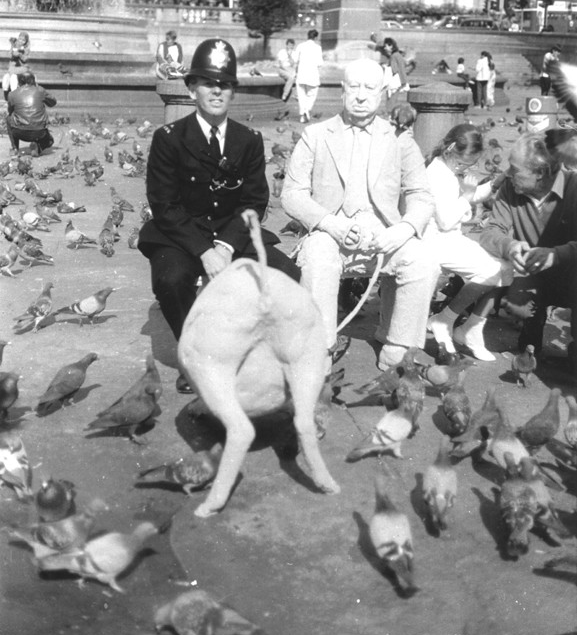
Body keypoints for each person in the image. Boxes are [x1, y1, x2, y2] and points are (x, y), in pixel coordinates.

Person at [139, 38, 300, 392]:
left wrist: (226, 246)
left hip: (233, 234)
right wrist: (204, 250)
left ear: (233, 92)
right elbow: (164, 205)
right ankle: (194, 355)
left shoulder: (249, 140)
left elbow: (255, 200)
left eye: (225, 84)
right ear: (192, 88)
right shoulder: (169, 139)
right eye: (209, 83)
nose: (217, 91)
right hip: (180, 236)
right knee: (171, 278)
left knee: (286, 273)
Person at [281, 57, 438, 370]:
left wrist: (404, 228)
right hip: (331, 233)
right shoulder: (316, 135)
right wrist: (330, 224)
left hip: (384, 234)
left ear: (382, 94)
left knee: (423, 261)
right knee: (318, 257)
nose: (362, 95)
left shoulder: (400, 139)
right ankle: (320, 349)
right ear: (342, 90)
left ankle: (398, 344)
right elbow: (292, 194)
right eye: (354, 87)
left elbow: (422, 194)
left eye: (370, 88)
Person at [479, 133, 577, 367]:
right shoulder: (509, 189)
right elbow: (490, 231)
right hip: (532, 273)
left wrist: (556, 255)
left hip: (572, 274)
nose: (508, 173)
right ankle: (531, 344)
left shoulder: (575, 188)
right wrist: (510, 246)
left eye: (515, 169)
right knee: (517, 306)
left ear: (540, 173)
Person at [424, 125, 512, 360]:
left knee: (505, 268)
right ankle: (445, 320)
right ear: (451, 150)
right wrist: (466, 195)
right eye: (464, 163)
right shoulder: (436, 174)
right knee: (493, 270)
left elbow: (469, 196)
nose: (465, 168)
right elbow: (445, 220)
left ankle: (468, 329)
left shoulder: (447, 168)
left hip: (451, 239)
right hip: (437, 242)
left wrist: (496, 183)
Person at [6, 70, 57, 156]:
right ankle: (38, 147)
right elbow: (53, 103)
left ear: (19, 81)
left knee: (8, 118)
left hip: (19, 131)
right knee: (50, 141)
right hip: (40, 132)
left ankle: (15, 148)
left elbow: (10, 111)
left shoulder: (12, 94)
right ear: (33, 80)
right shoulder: (40, 91)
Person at [294, 28, 324, 123]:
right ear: (316, 37)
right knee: (311, 95)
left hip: (301, 75)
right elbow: (320, 63)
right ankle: (307, 110)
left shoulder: (300, 46)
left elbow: (295, 60)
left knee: (301, 96)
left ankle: (302, 114)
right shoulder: (318, 48)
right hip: (312, 75)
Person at [379, 36, 409, 109]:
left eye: (386, 46)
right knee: (391, 99)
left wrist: (404, 82)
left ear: (391, 46)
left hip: (395, 82)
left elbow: (400, 69)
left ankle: (390, 115)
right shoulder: (395, 55)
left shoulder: (395, 56)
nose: (385, 48)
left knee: (391, 101)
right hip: (394, 81)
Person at [3, 30, 30, 100]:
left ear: (26, 42)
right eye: (20, 39)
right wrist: (12, 48)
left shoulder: (26, 49)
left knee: (13, 79)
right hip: (13, 68)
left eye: (23, 40)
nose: (21, 41)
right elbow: (10, 55)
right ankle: (7, 98)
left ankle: (13, 99)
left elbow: (25, 59)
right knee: (6, 78)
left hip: (21, 68)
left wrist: (20, 54)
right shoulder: (14, 45)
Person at [276, 38, 296, 103]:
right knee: (291, 77)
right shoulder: (282, 52)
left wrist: (290, 56)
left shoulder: (294, 53)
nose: (291, 47)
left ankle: (296, 95)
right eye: (289, 45)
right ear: (286, 45)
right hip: (282, 69)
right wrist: (288, 71)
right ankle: (285, 94)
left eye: (292, 45)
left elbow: (293, 64)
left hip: (290, 69)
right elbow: (281, 65)